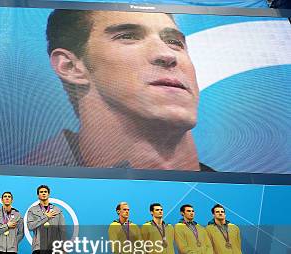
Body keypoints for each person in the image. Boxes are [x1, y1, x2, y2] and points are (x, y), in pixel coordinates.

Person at [22, 10, 213, 171]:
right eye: (128, 36)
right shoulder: (23, 181)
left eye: (175, 42)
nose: (167, 54)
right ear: (70, 66)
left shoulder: (234, 202)